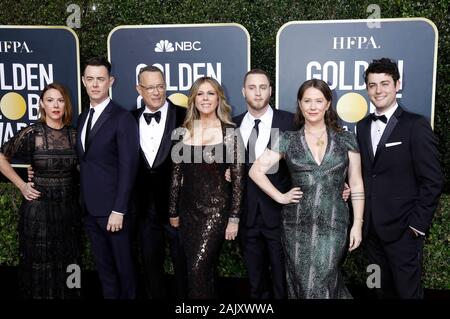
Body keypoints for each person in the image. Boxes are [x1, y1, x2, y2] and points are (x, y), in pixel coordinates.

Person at [249, 79, 365, 299]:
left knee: (322, 280)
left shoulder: (346, 139)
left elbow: (357, 182)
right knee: (305, 283)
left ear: (328, 103)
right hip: (296, 225)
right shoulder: (287, 139)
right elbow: (255, 171)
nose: (313, 106)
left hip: (334, 224)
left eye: (319, 101)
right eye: (307, 101)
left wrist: (357, 224)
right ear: (300, 105)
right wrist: (281, 197)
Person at [356, 58, 443, 299]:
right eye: (372, 85)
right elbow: (366, 172)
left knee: (407, 294)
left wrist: (416, 226)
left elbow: (433, 180)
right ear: (367, 89)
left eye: (385, 83)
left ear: (397, 84)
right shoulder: (361, 127)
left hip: (404, 232)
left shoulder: (415, 126)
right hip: (371, 231)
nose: (378, 90)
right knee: (376, 290)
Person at [0, 83, 81, 299]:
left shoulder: (75, 134)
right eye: (50, 100)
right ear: (42, 105)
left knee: (69, 260)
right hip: (39, 211)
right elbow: (2, 158)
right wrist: (22, 185)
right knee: (40, 262)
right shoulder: (32, 132)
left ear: (66, 104)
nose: (55, 105)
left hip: (68, 208)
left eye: (60, 100)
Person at [168, 76, 244, 299]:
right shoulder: (183, 131)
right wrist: (172, 210)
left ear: (219, 98)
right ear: (193, 99)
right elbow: (176, 175)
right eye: (200, 93)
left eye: (210, 93)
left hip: (216, 211)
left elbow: (239, 179)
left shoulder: (230, 132)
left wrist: (234, 218)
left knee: (198, 267)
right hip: (187, 211)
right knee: (198, 270)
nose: (205, 98)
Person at [77, 56, 140, 299]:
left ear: (110, 81)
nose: (95, 84)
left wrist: (119, 209)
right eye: (90, 79)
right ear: (83, 81)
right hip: (90, 211)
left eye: (100, 79)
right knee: (105, 272)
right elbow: (87, 162)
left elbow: (129, 167)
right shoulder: (83, 117)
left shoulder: (122, 118)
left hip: (114, 213)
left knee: (125, 271)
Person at [233, 69, 295, 299]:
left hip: (280, 215)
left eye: (262, 87)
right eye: (252, 87)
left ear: (270, 90)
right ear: (243, 91)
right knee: (255, 281)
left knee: (282, 278)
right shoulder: (232, 124)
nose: (257, 93)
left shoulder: (289, 121)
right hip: (247, 216)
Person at [131, 65, 187, 299]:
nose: (156, 92)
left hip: (179, 206)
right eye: (150, 87)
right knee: (150, 265)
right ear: (139, 89)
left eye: (160, 86)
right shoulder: (129, 119)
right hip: (144, 207)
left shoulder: (186, 115)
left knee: (184, 263)